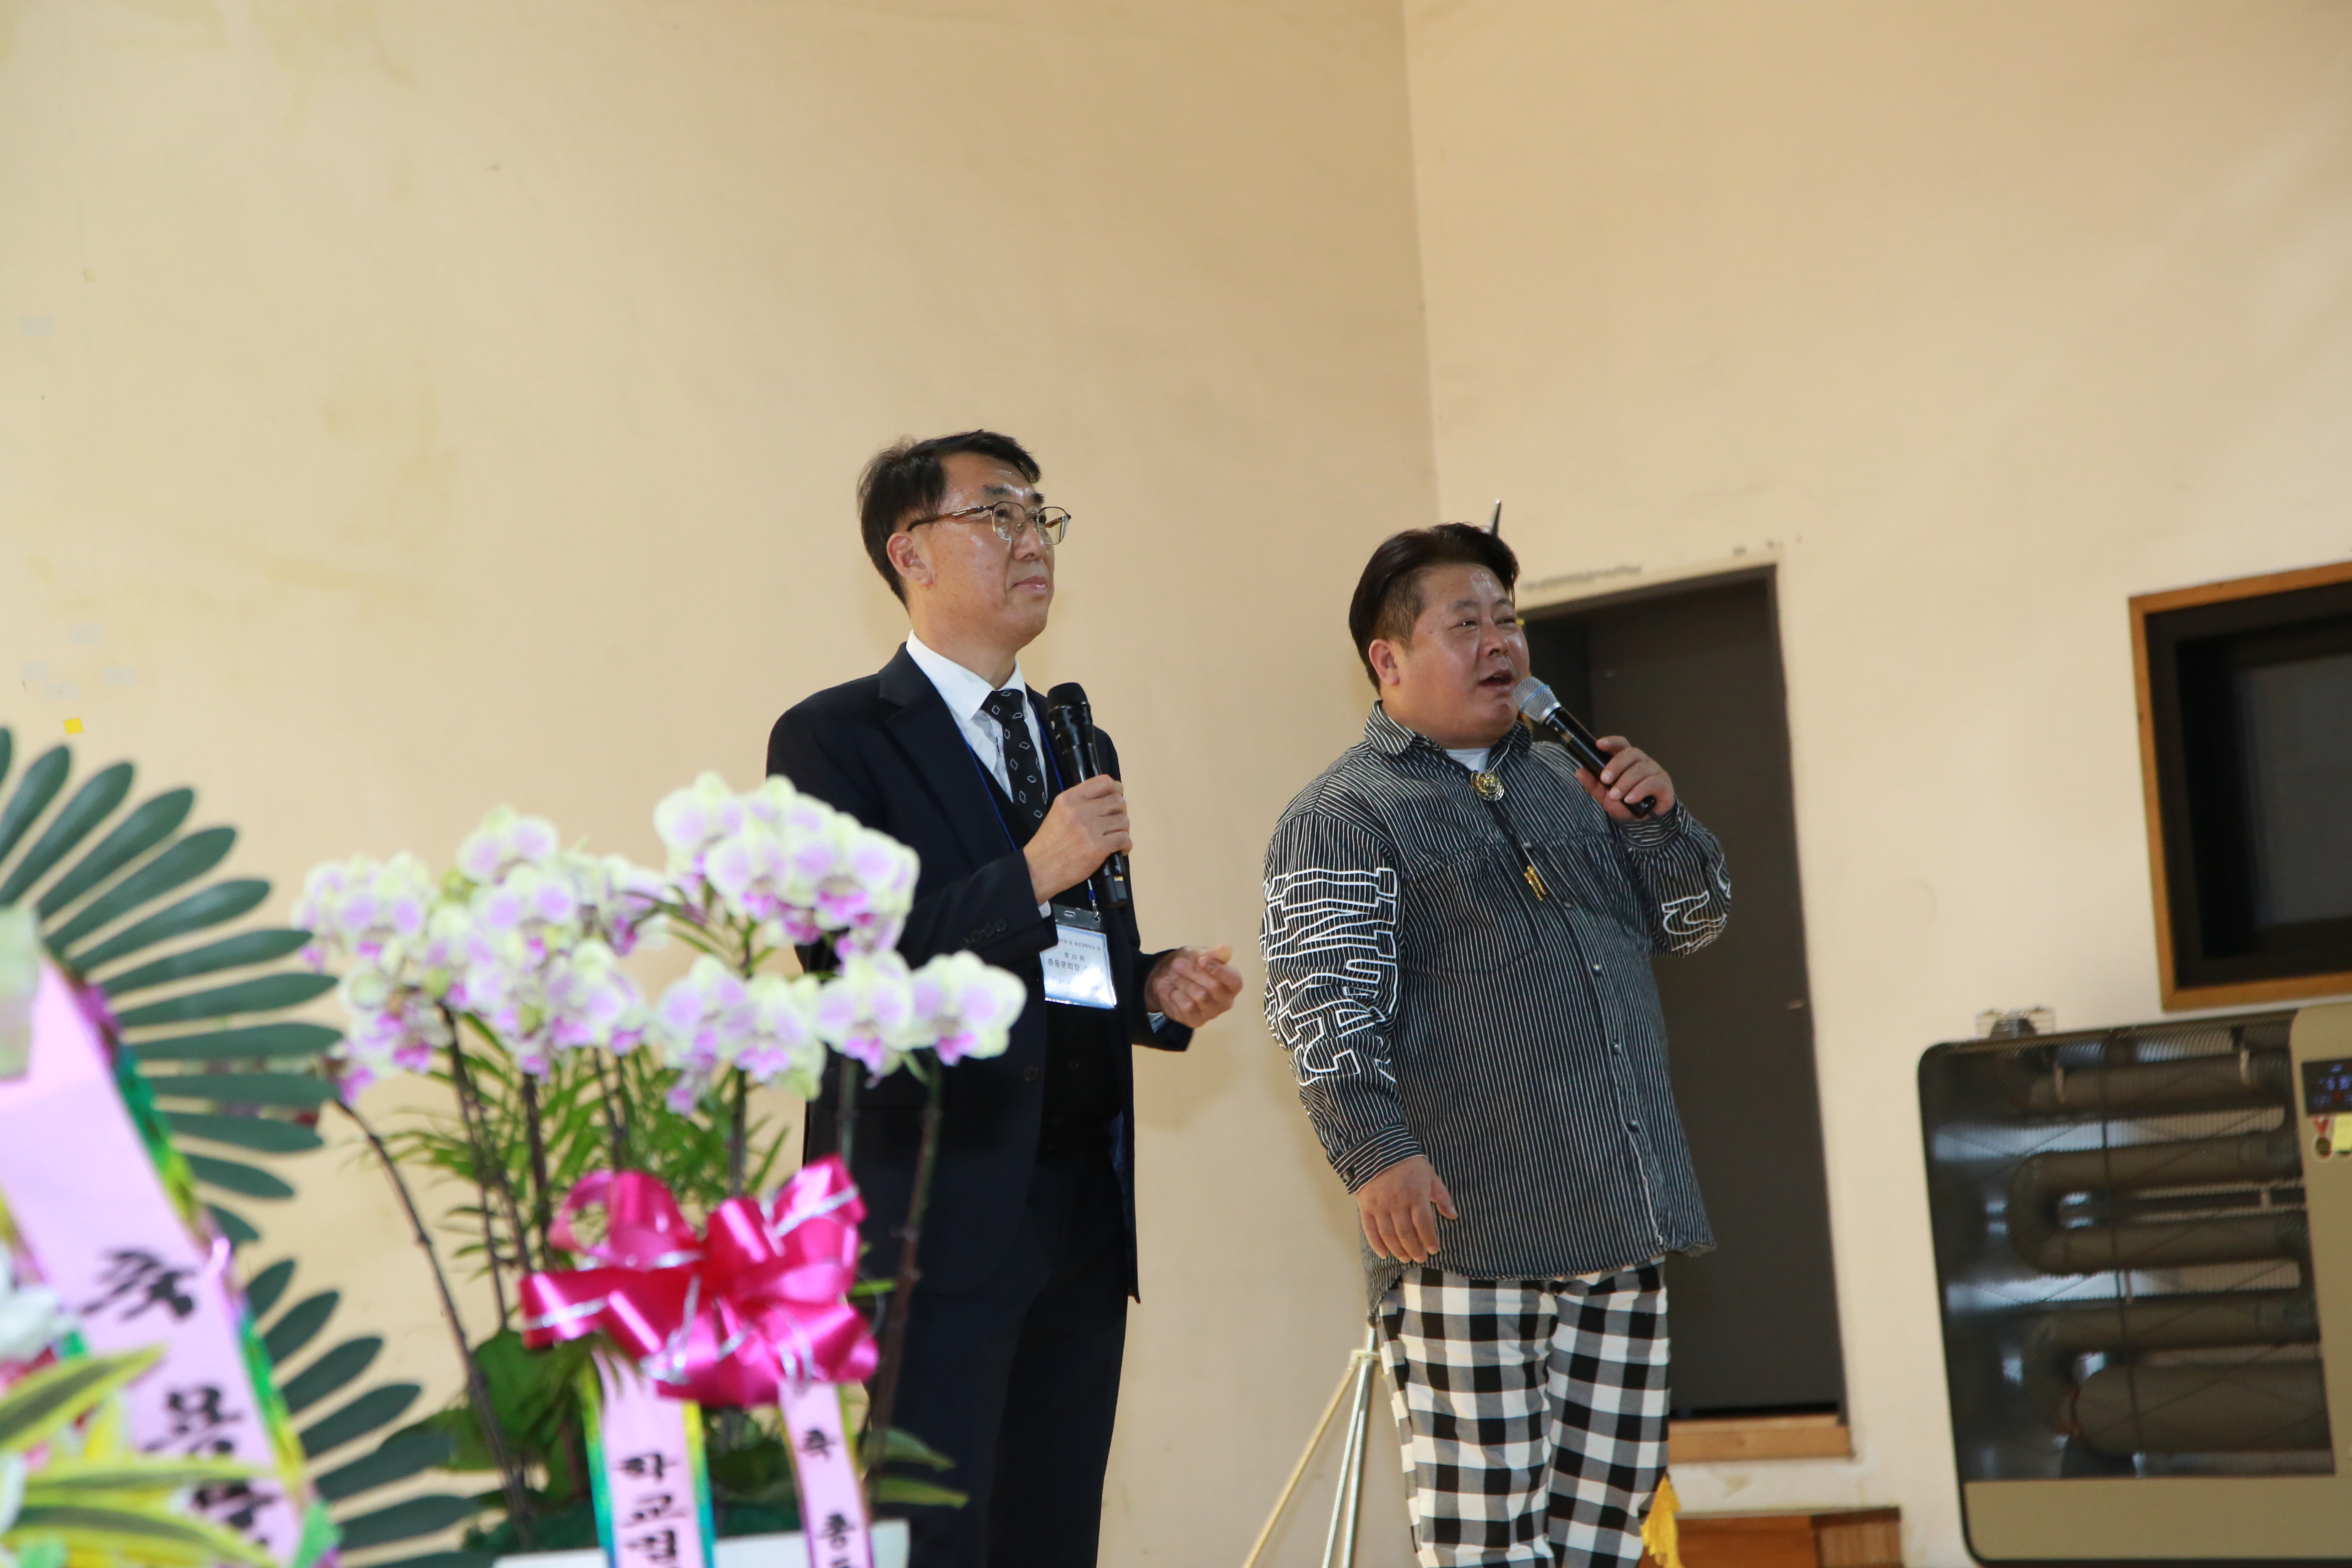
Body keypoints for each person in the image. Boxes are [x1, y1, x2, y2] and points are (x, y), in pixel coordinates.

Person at [766, 431, 1243, 1568]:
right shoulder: (832, 738)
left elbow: (1063, 960)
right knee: (930, 1535)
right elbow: (846, 968)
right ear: (910, 553)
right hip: (932, 1213)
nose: (1032, 540)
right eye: (996, 515)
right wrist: (1030, 872)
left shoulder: (1072, 733)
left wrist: (1149, 987)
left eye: (1040, 516)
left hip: (1080, 1205)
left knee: (1052, 1527)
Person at [1260, 523, 1731, 1567]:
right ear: (1387, 660)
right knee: (1487, 1544)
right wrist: (1375, 1151)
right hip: (1468, 1232)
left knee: (1606, 1541)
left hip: (1624, 1218)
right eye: (1464, 622)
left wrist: (1654, 821)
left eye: (1508, 619)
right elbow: (1322, 1004)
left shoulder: (1573, 780)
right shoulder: (1345, 813)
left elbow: (1697, 922)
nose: (1499, 643)